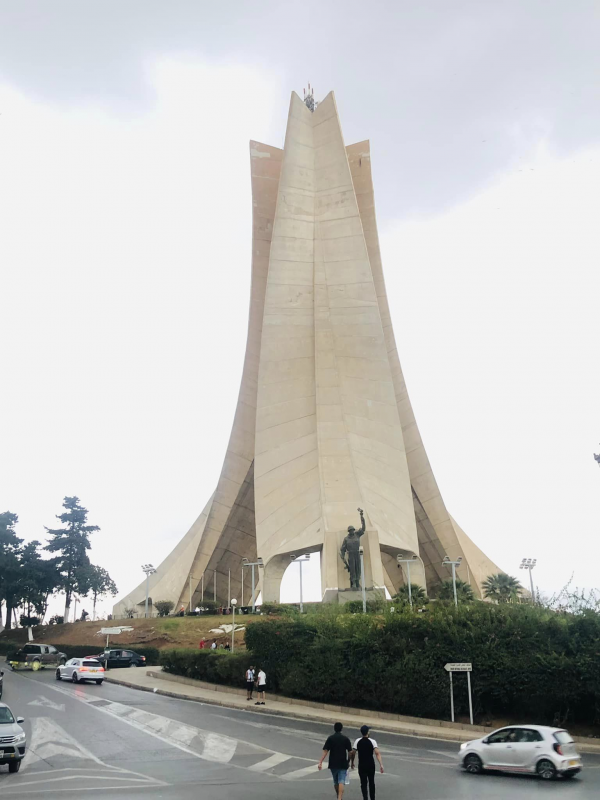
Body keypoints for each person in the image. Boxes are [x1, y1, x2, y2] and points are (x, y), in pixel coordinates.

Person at [318, 722, 353, 800]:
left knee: (335, 781)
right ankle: (339, 798)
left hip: (333, 763)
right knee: (341, 780)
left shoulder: (330, 738)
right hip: (342, 762)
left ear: (334, 729)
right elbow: (350, 752)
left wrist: (320, 762)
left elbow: (326, 751)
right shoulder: (346, 739)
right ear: (341, 729)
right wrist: (349, 761)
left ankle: (338, 795)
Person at [350, 725, 384, 800]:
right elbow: (377, 753)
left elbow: (353, 753)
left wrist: (352, 762)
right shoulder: (373, 741)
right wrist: (381, 764)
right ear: (368, 732)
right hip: (371, 764)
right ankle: (372, 798)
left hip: (362, 765)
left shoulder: (357, 741)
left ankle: (365, 798)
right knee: (371, 782)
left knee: (363, 783)